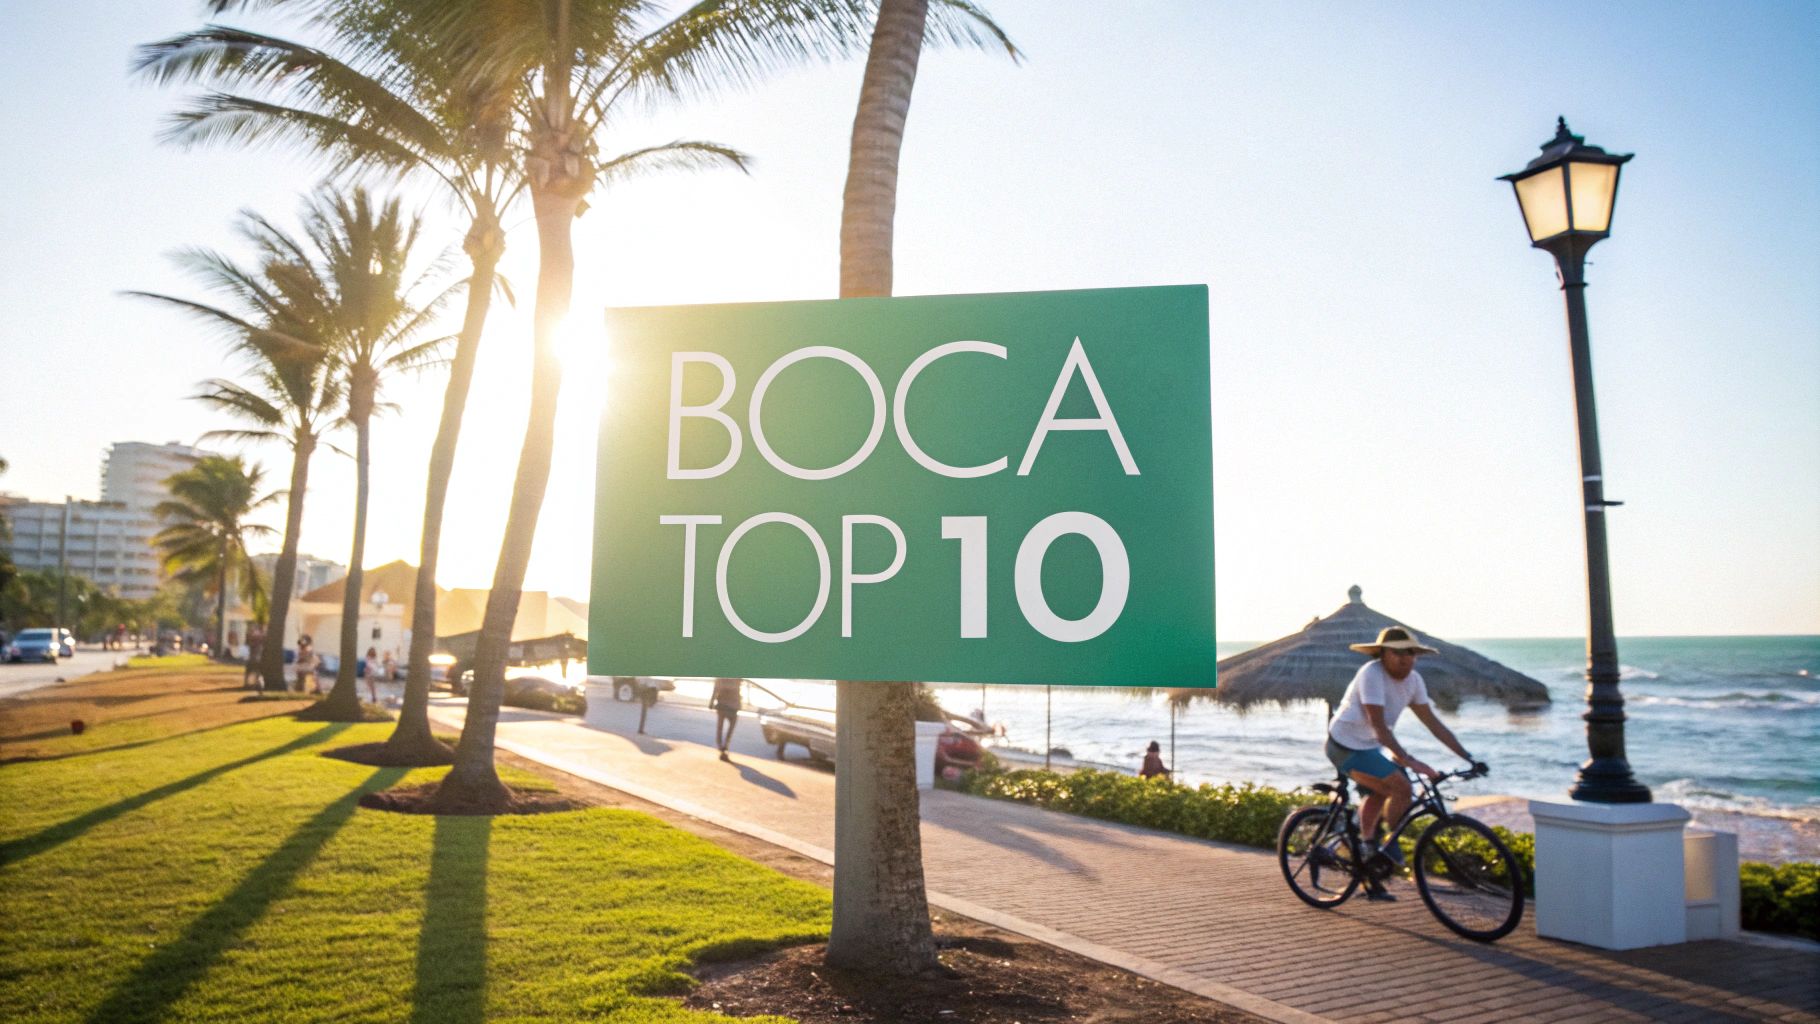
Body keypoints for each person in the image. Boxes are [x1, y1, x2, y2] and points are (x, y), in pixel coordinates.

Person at [1326, 626, 1482, 901]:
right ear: (1383, 655)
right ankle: (1388, 841)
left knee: (1387, 788)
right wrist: (1410, 760)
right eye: (1396, 653)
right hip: (1344, 745)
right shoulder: (1372, 674)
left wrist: (1468, 757)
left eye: (1410, 652)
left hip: (1370, 746)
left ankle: (1369, 845)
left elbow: (1434, 724)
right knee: (1401, 786)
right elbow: (1379, 725)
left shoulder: (1414, 681)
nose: (1404, 658)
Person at [710, 677, 744, 761]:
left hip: (724, 705)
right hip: (732, 706)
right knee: (729, 729)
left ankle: (722, 747)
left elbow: (716, 689)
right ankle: (724, 747)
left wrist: (711, 702)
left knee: (721, 728)